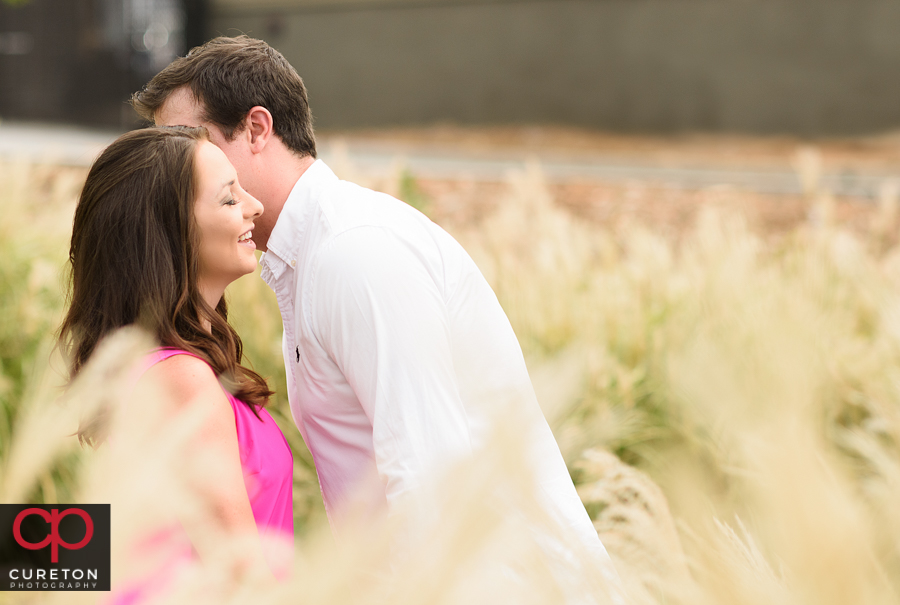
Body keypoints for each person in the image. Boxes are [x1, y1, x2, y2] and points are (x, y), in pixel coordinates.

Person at [132, 36, 618, 592]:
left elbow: (428, 478)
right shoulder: (312, 260)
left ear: (257, 129)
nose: (175, 166)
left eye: (189, 141)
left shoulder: (353, 252)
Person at [57, 127, 294, 586]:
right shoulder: (179, 378)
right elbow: (242, 576)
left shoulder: (158, 368)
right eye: (229, 198)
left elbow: (115, 545)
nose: (255, 206)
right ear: (167, 232)